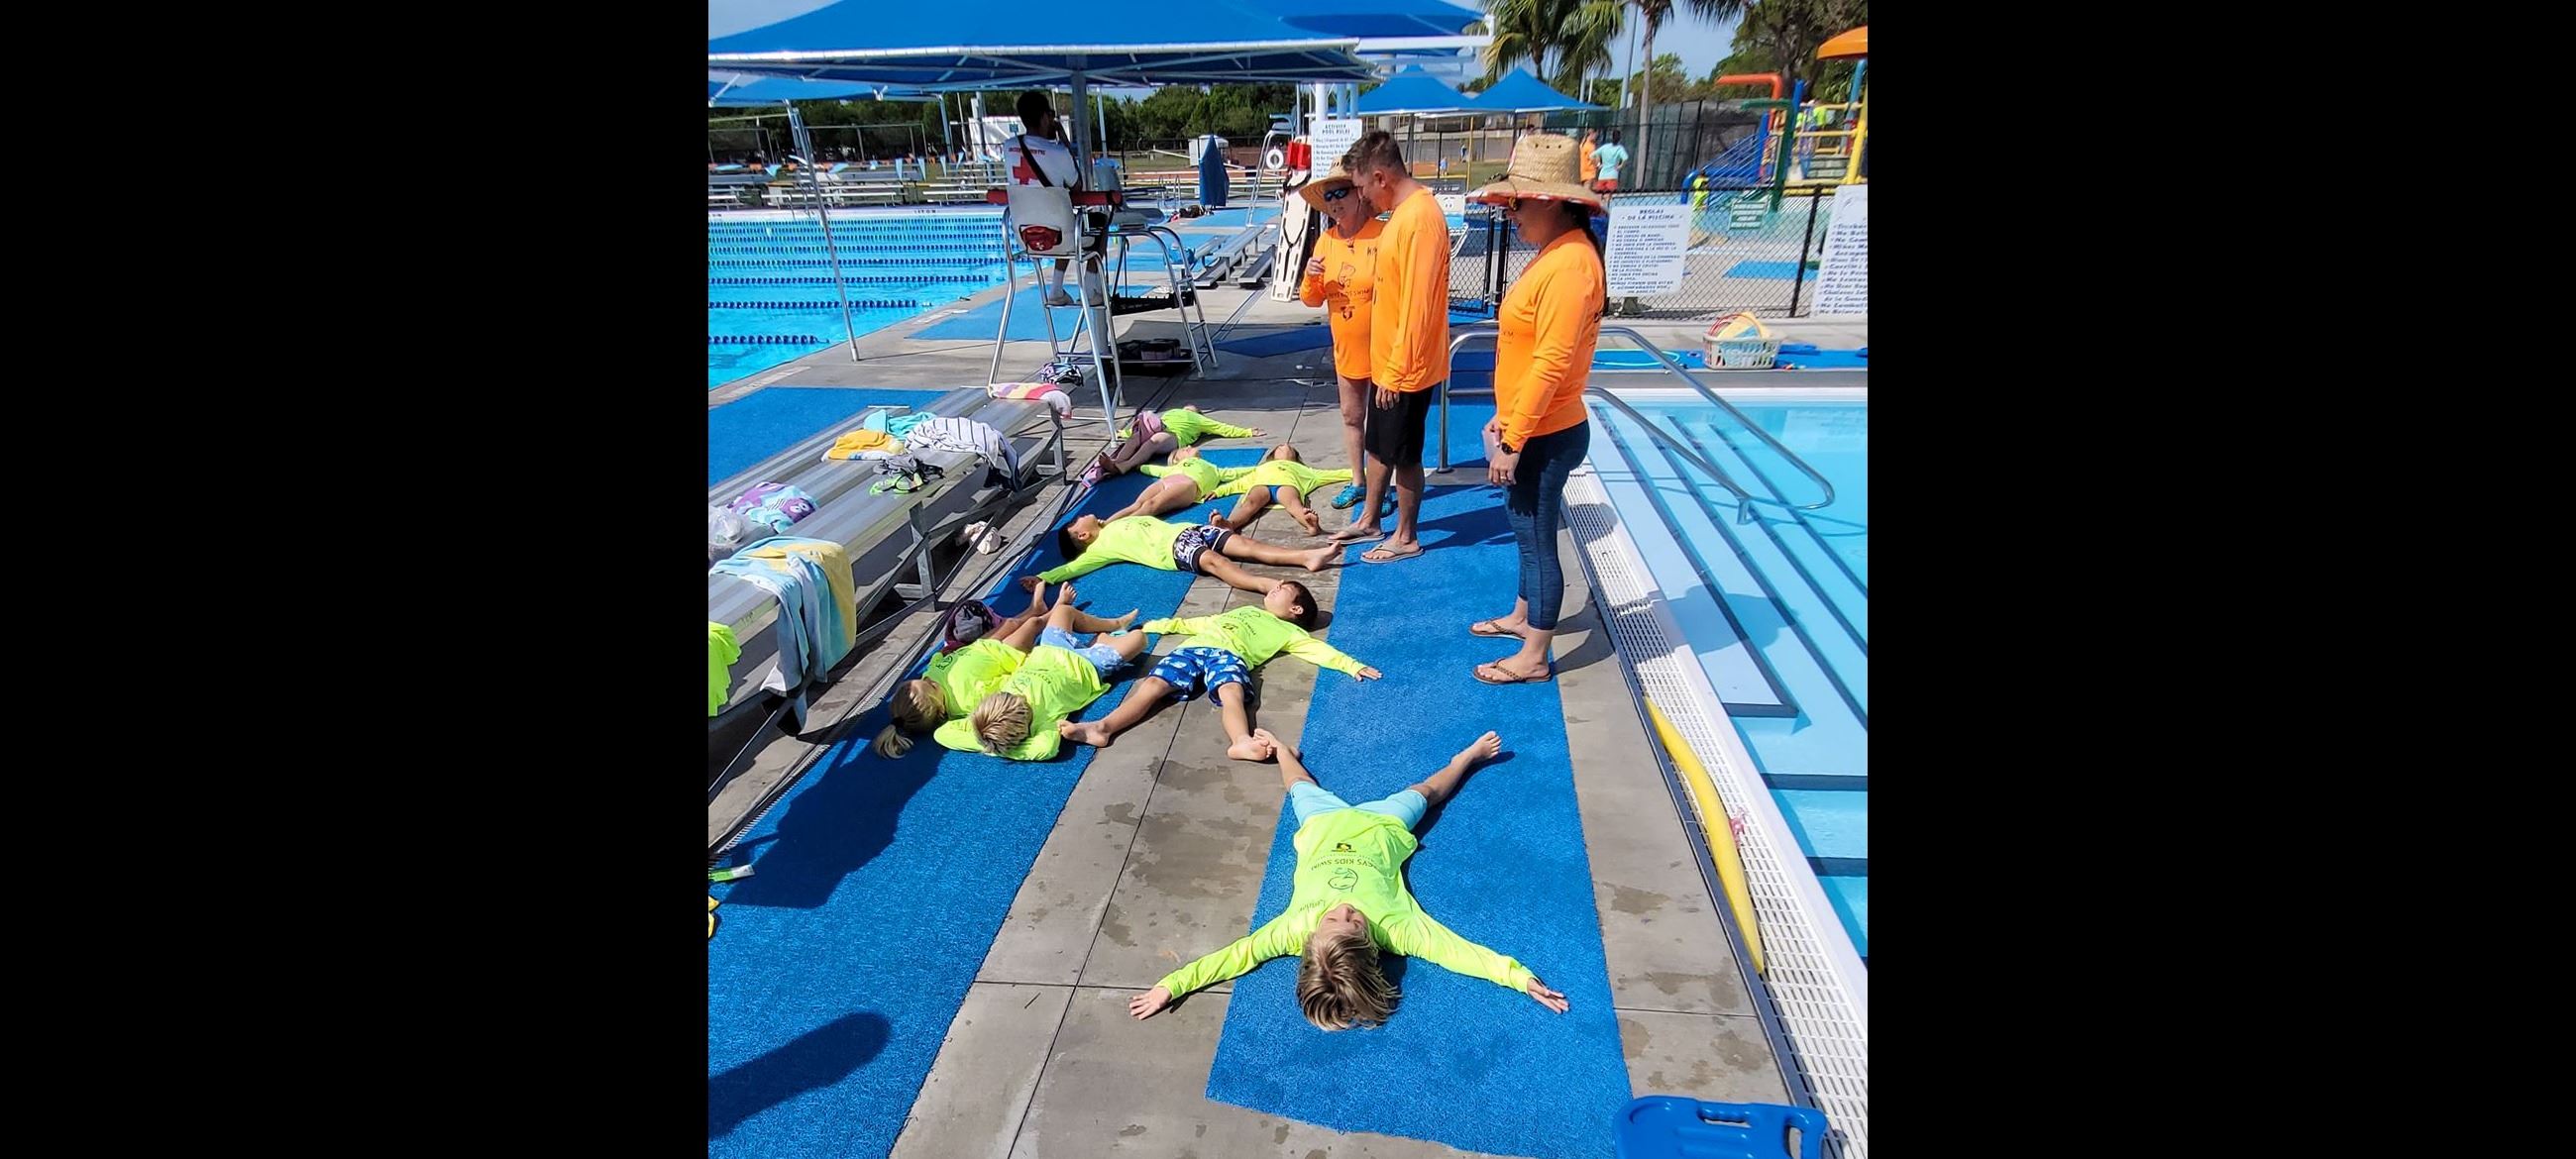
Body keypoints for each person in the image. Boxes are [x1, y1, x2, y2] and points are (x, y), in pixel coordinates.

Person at [1126, 727, 1569, 1028]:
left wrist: (1173, 984)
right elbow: (1462, 954)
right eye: (1353, 921)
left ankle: (1282, 751)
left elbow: (1233, 956)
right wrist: (1519, 978)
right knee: (1430, 791)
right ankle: (1466, 759)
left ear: (1311, 940)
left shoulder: (1293, 932)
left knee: (1298, 784)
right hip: (1382, 826)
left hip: (1321, 827)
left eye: (1332, 920)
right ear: (1371, 943)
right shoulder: (1400, 930)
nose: (1342, 910)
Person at [1464, 136, 1606, 685]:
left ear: (1550, 201)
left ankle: (1535, 657)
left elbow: (1551, 362)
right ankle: (1525, 618)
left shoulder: (1571, 266)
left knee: (1537, 538)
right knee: (1526, 532)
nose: (1513, 213)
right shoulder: (1560, 256)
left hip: (1547, 432)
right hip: (1534, 423)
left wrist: (1514, 437)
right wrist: (1507, 417)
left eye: (1518, 203)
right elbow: (1534, 356)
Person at [1060, 581, 1379, 761]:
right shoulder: (1247, 610)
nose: (1275, 586)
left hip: (1229, 655)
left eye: (1283, 589)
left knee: (1232, 693)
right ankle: (1103, 727)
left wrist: (1351, 665)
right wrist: (1159, 625)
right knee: (1154, 684)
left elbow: (1318, 650)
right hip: (1192, 648)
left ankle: (1240, 740)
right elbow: (1202, 623)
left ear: (1295, 610)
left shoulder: (1290, 632)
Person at [1331, 130, 1449, 564]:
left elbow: (1419, 306)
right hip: (1389, 364)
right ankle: (1370, 519)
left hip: (1408, 367)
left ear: (1380, 177)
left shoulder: (1420, 218)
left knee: (1404, 452)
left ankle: (1406, 535)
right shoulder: (1401, 214)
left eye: (1361, 188)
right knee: (1379, 444)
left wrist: (1396, 372)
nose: (1361, 198)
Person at [871, 580, 1137, 757]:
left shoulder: (932, 678)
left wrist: (948, 655)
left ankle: (1041, 609)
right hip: (1009, 657)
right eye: (927, 684)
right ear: (939, 708)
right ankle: (1053, 612)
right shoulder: (966, 702)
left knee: (1012, 623)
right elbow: (1003, 685)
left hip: (985, 648)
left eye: (922, 679)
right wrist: (1027, 661)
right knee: (1032, 627)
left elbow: (943, 660)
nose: (927, 678)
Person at [933, 597, 1152, 761]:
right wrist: (1004, 748)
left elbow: (942, 734)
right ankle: (1101, 641)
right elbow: (1046, 749)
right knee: (1139, 638)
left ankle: (1112, 626)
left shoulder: (989, 710)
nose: (1017, 695)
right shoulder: (1043, 723)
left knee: (1064, 611)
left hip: (1050, 650)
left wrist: (985, 743)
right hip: (1088, 664)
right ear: (1026, 725)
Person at [1295, 159, 1393, 520]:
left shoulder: (1382, 234)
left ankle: (1383, 486)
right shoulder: (1325, 241)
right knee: (1353, 417)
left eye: (1341, 193)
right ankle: (1359, 481)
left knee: (1385, 423)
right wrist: (1309, 275)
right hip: (1347, 346)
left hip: (1383, 347)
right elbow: (1311, 299)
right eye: (1329, 196)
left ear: (1358, 194)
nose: (1335, 202)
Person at [1042, 512, 1337, 595]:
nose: (1082, 515)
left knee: (1245, 545)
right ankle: (1267, 586)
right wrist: (1044, 576)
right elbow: (1073, 569)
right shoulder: (1101, 547)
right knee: (1214, 561)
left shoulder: (1113, 523)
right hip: (1173, 549)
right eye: (1077, 521)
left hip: (1187, 529)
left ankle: (1305, 556)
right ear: (1083, 535)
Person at [1005, 90, 1088, 307]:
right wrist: (1064, 142)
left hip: (1025, 236)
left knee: (1063, 224)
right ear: (1044, 117)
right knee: (1095, 227)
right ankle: (1092, 291)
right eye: (1051, 115)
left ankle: (1057, 290)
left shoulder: (1008, 147)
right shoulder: (1058, 152)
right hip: (1062, 237)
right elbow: (1078, 186)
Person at [1206, 445, 1351, 536]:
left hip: (1286, 485)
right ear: (1272, 456)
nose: (1285, 445)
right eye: (1280, 447)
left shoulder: (1305, 470)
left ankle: (1310, 525)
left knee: (1294, 505)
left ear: (1295, 457)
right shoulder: (1261, 468)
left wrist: (1365, 472)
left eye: (1289, 447)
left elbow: (1336, 474)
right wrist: (1219, 491)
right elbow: (1240, 483)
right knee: (1250, 503)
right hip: (1261, 485)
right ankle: (1230, 524)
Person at [1095, 404, 1265, 478]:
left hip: (1174, 436)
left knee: (1152, 442)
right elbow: (1152, 425)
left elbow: (1221, 427)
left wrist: (1247, 432)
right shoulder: (1171, 412)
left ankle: (1126, 465)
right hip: (1163, 427)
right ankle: (1116, 462)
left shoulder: (1199, 420)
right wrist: (1125, 432)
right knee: (1134, 439)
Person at [1113, 446, 1255, 523]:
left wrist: (1258, 468)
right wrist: (1135, 465)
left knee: (1151, 505)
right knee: (1137, 504)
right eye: (1182, 450)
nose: (1187, 447)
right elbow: (1152, 469)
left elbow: (1236, 472)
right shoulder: (1173, 468)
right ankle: (1105, 524)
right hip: (1169, 480)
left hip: (1189, 484)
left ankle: (1115, 528)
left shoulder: (1213, 468)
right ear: (1176, 460)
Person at [1591, 129, 1629, 194]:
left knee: (1599, 195)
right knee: (1608, 195)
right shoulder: (1619, 148)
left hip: (1602, 176)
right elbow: (1625, 158)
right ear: (1619, 138)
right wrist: (1620, 166)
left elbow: (1592, 155)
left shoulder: (1605, 147)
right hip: (1612, 175)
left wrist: (1598, 165)